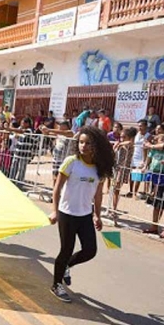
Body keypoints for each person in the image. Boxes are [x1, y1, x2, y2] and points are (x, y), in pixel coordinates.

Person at [50, 126, 115, 303]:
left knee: (90, 250)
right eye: (81, 142)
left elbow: (98, 194)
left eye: (87, 143)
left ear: (96, 146)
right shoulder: (71, 162)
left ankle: (66, 267)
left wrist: (97, 215)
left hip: (85, 215)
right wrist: (55, 211)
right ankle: (56, 284)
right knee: (66, 249)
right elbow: (57, 189)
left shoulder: (99, 168)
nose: (83, 146)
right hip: (67, 213)